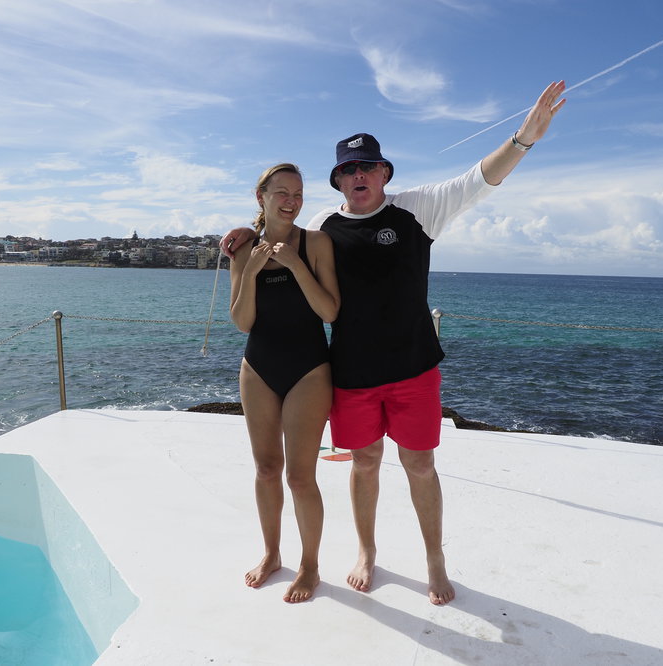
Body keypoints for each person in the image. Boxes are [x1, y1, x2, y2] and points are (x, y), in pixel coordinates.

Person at [223, 81, 566, 605]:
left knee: (421, 465)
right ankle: (366, 553)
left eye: (368, 167)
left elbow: (479, 180)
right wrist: (241, 237)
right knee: (363, 462)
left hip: (413, 367)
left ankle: (435, 559)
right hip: (353, 372)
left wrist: (523, 139)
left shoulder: (417, 210)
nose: (358, 176)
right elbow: (277, 230)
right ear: (338, 180)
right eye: (348, 171)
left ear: (384, 172)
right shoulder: (321, 226)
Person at [229, 163, 340, 603]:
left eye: (297, 193)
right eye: (282, 193)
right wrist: (252, 269)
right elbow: (242, 322)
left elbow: (330, 312)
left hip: (309, 368)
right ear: (262, 197)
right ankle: (272, 554)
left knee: (299, 476)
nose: (291, 201)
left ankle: (310, 565)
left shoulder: (317, 244)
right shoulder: (242, 248)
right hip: (258, 367)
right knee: (266, 469)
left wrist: (294, 264)